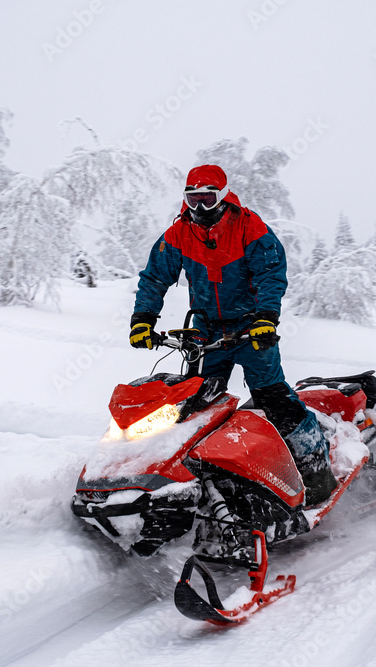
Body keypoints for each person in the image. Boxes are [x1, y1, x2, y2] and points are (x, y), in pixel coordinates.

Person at [128, 164, 336, 505]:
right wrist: (143, 320)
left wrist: (267, 318)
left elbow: (271, 273)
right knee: (198, 406)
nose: (198, 208)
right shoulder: (179, 233)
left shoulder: (248, 227)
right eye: (192, 199)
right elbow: (154, 277)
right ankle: (200, 482)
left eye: (206, 199)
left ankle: (317, 472)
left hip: (251, 330)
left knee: (274, 399)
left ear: (223, 197)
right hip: (206, 331)